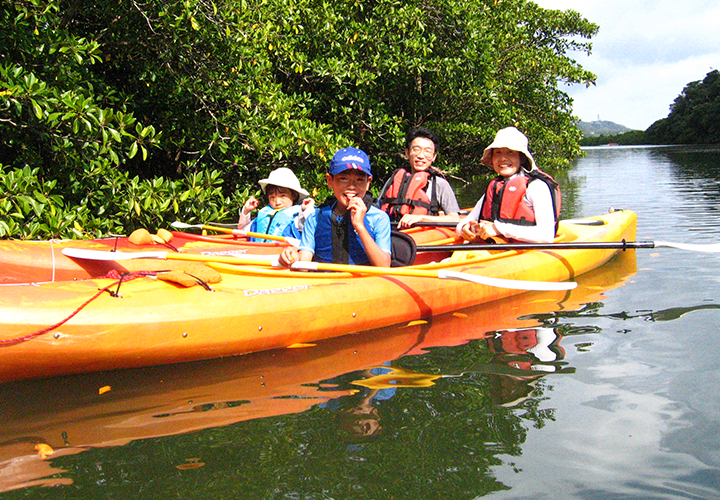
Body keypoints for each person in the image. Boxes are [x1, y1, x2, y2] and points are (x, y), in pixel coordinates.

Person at [279, 147, 392, 267]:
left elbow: (384, 266)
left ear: (368, 183)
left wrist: (359, 226)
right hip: (325, 283)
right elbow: (303, 264)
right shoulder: (315, 218)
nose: (352, 186)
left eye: (360, 180)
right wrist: (292, 257)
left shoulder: (379, 218)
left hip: (364, 283)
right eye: (343, 178)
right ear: (330, 180)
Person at [457, 127, 561, 244]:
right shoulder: (495, 187)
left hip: (526, 254)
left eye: (510, 152)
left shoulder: (536, 187)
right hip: (496, 251)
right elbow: (466, 221)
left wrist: (499, 229)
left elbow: (546, 236)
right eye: (498, 152)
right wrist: (464, 228)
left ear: (521, 157)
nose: (503, 158)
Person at [377, 127, 461, 229]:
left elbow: (454, 219)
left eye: (427, 151)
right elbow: (377, 209)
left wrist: (421, 218)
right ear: (407, 153)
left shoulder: (439, 183)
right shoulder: (394, 178)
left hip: (421, 237)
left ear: (434, 157)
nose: (421, 156)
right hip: (392, 231)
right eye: (416, 150)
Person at [237, 167, 315, 241]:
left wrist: (308, 209)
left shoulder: (299, 217)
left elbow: (315, 228)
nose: (277, 202)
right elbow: (242, 232)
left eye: (283, 196)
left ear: (294, 195)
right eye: (272, 197)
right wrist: (246, 211)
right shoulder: (264, 214)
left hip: (285, 254)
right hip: (259, 253)